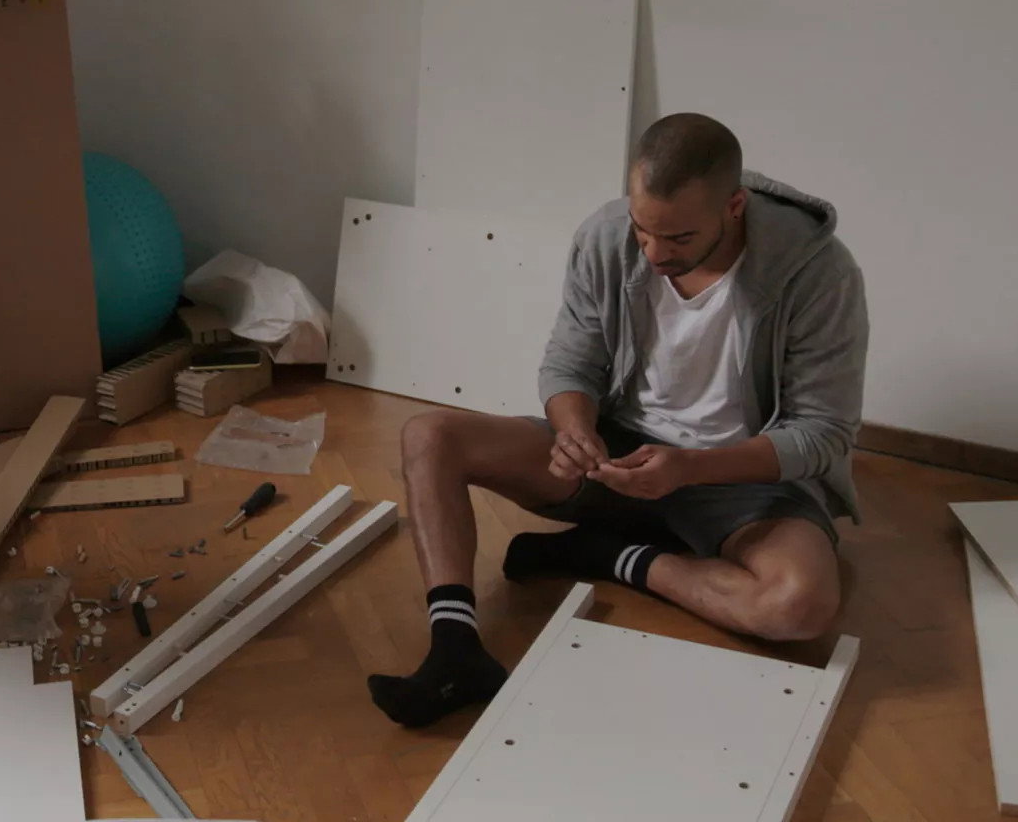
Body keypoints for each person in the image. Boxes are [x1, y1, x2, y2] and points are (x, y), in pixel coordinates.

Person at [367, 113, 868, 727]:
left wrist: (689, 469)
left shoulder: (817, 272)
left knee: (798, 605)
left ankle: (613, 555)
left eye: (678, 238)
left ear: (734, 207)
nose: (653, 253)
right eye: (642, 229)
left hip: (736, 475)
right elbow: (569, 363)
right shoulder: (606, 235)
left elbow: (822, 432)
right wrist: (574, 429)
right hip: (615, 453)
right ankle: (455, 648)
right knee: (430, 435)